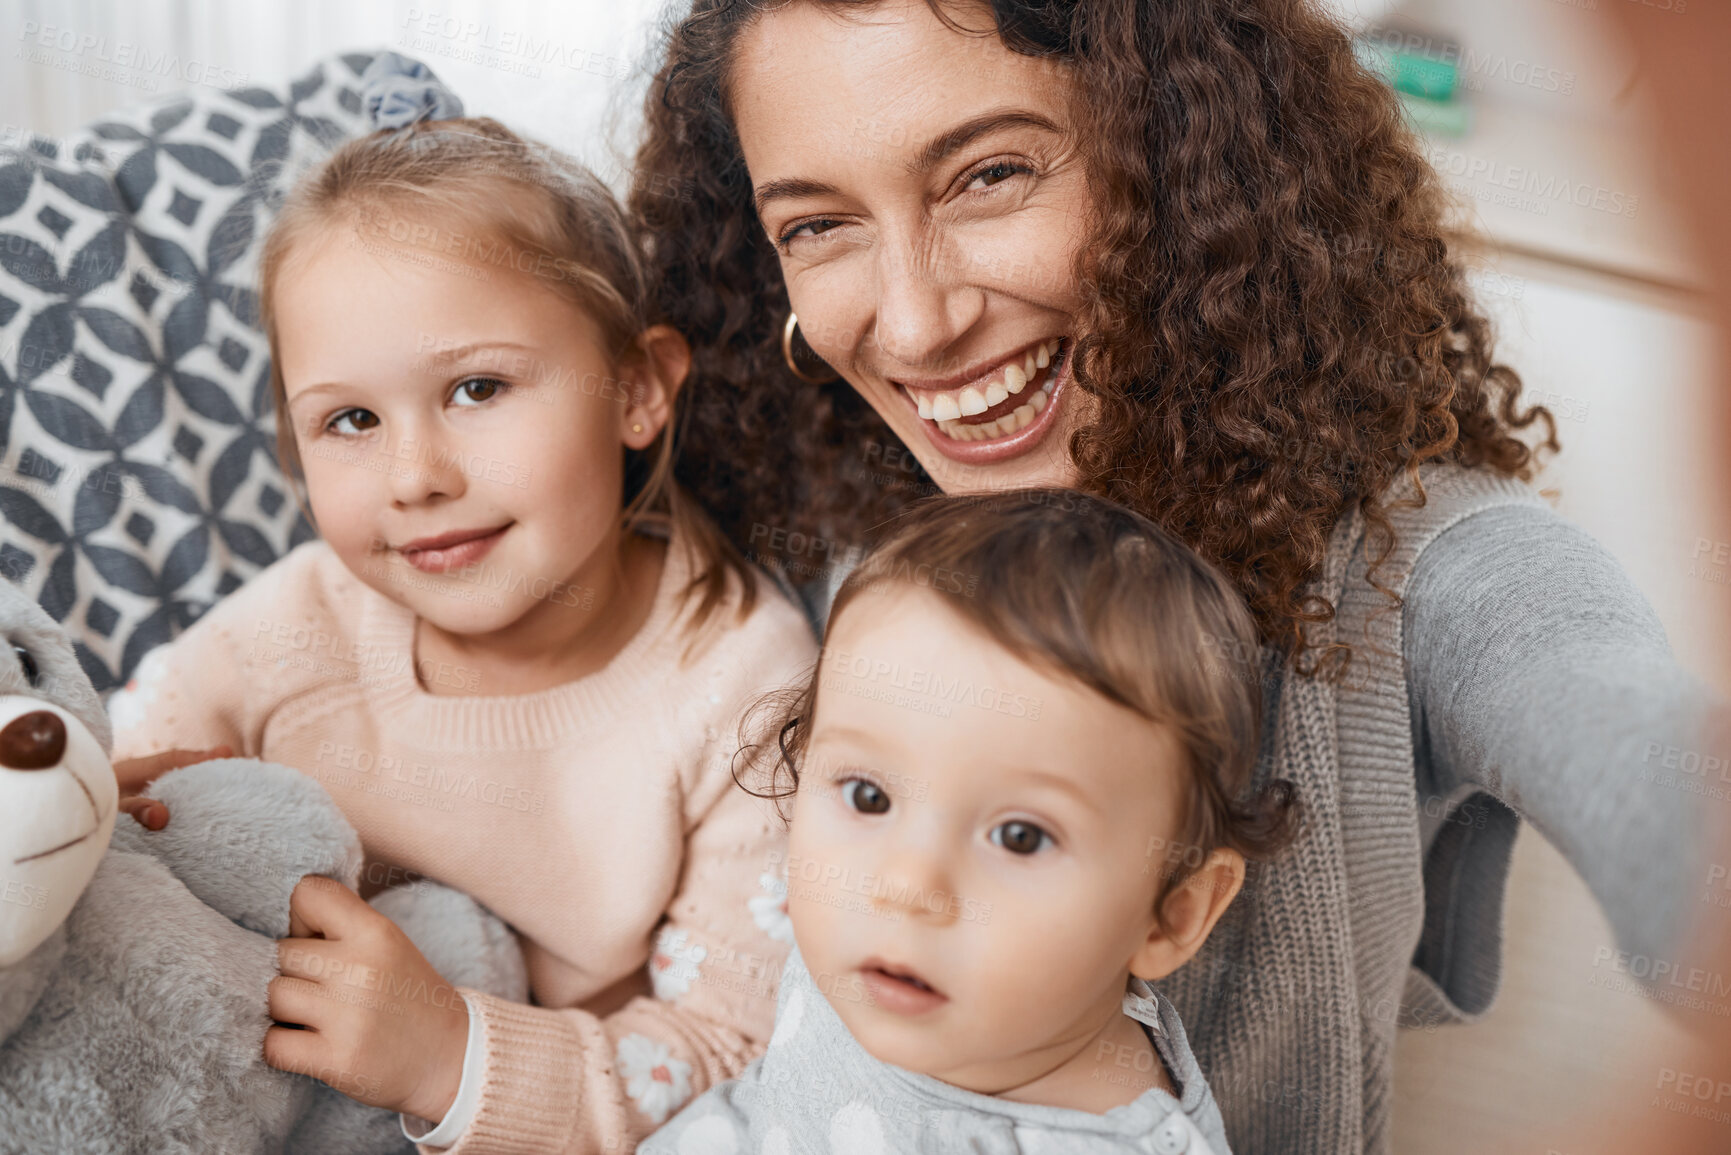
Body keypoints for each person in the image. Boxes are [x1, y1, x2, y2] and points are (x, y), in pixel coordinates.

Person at [627, 2, 1731, 1151]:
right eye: (817, 226)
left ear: (1187, 163)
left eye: (990, 175)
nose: (911, 327)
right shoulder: (829, 497)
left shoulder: (1432, 576)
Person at [109, 55, 816, 1154]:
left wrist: (452, 1055)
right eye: (349, 422)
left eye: (477, 389)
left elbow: (734, 1044)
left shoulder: (745, 680)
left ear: (636, 389)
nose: (414, 477)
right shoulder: (300, 619)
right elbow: (99, 796)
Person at [643, 489, 1298, 1155]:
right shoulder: (865, 955)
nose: (904, 885)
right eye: (869, 796)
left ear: (1173, 911)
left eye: (1020, 837)